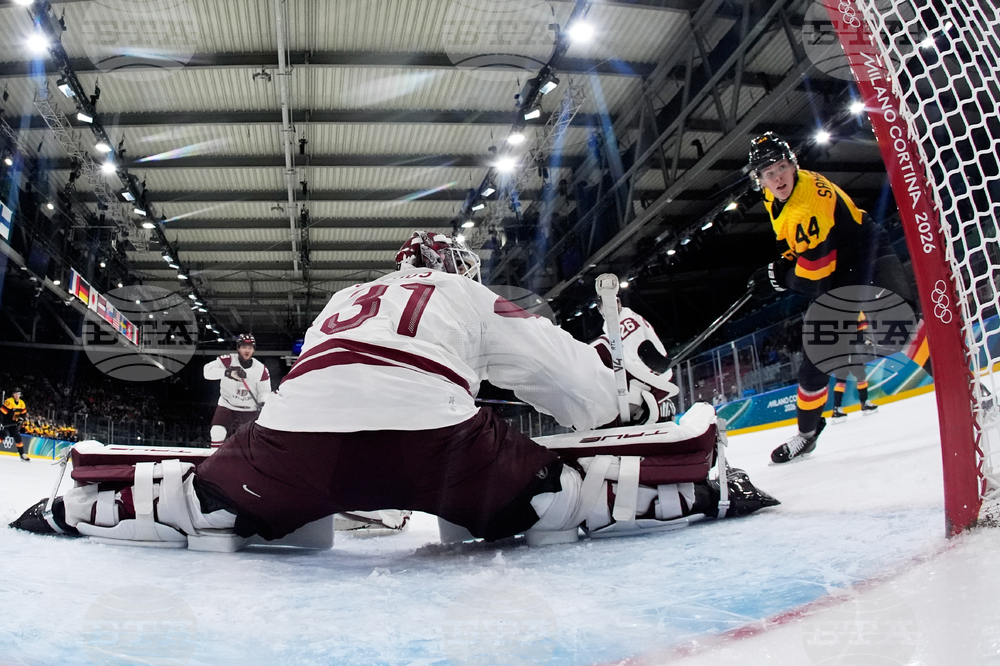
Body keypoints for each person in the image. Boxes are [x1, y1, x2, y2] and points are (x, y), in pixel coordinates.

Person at [14, 231, 778, 548]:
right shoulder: (465, 295)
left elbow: (322, 382)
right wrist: (623, 403)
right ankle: (636, 493)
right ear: (455, 265)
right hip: (437, 447)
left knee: (243, 499)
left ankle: (137, 502)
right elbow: (564, 378)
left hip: (291, 447)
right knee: (544, 494)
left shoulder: (343, 295)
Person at [746, 133, 909, 463]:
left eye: (780, 167)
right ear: (759, 180)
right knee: (814, 365)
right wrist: (783, 263)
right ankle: (807, 435)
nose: (777, 178)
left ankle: (974, 397)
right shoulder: (772, 197)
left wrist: (778, 278)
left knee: (901, 326)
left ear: (793, 165)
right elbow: (795, 244)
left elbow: (815, 278)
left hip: (865, 257)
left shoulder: (809, 202)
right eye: (768, 173)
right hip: (835, 268)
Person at [590, 297, 679, 424]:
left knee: (626, 409)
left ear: (619, 304)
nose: (610, 309)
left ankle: (643, 417)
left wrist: (650, 373)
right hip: (649, 375)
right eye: (606, 306)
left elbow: (640, 350)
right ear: (600, 310)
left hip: (651, 375)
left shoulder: (625, 322)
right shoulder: (616, 323)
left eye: (613, 304)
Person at [203, 334, 271, 447]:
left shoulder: (261, 369)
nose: (247, 350)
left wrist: (263, 402)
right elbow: (207, 372)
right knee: (217, 431)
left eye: (250, 348)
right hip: (227, 404)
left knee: (254, 438)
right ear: (238, 348)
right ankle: (214, 456)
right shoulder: (228, 360)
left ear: (254, 350)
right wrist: (227, 373)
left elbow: (264, 391)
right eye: (244, 347)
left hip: (250, 408)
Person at [1, 388, 29, 462]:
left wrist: (21, 420)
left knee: (18, 437)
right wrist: (0, 422)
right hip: (6, 422)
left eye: (18, 394)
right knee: (2, 435)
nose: (17, 395)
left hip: (14, 423)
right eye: (16, 393)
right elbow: (2, 413)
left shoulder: (22, 403)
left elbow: (23, 414)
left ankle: (22, 454)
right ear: (13, 394)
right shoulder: (9, 401)